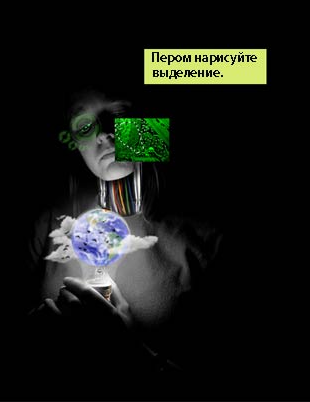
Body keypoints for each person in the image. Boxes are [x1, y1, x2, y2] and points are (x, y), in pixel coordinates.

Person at [22, 87, 224, 401]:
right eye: (84, 126)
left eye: (119, 113)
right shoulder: (49, 222)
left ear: (152, 116)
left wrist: (133, 355)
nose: (105, 133)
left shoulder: (208, 235)